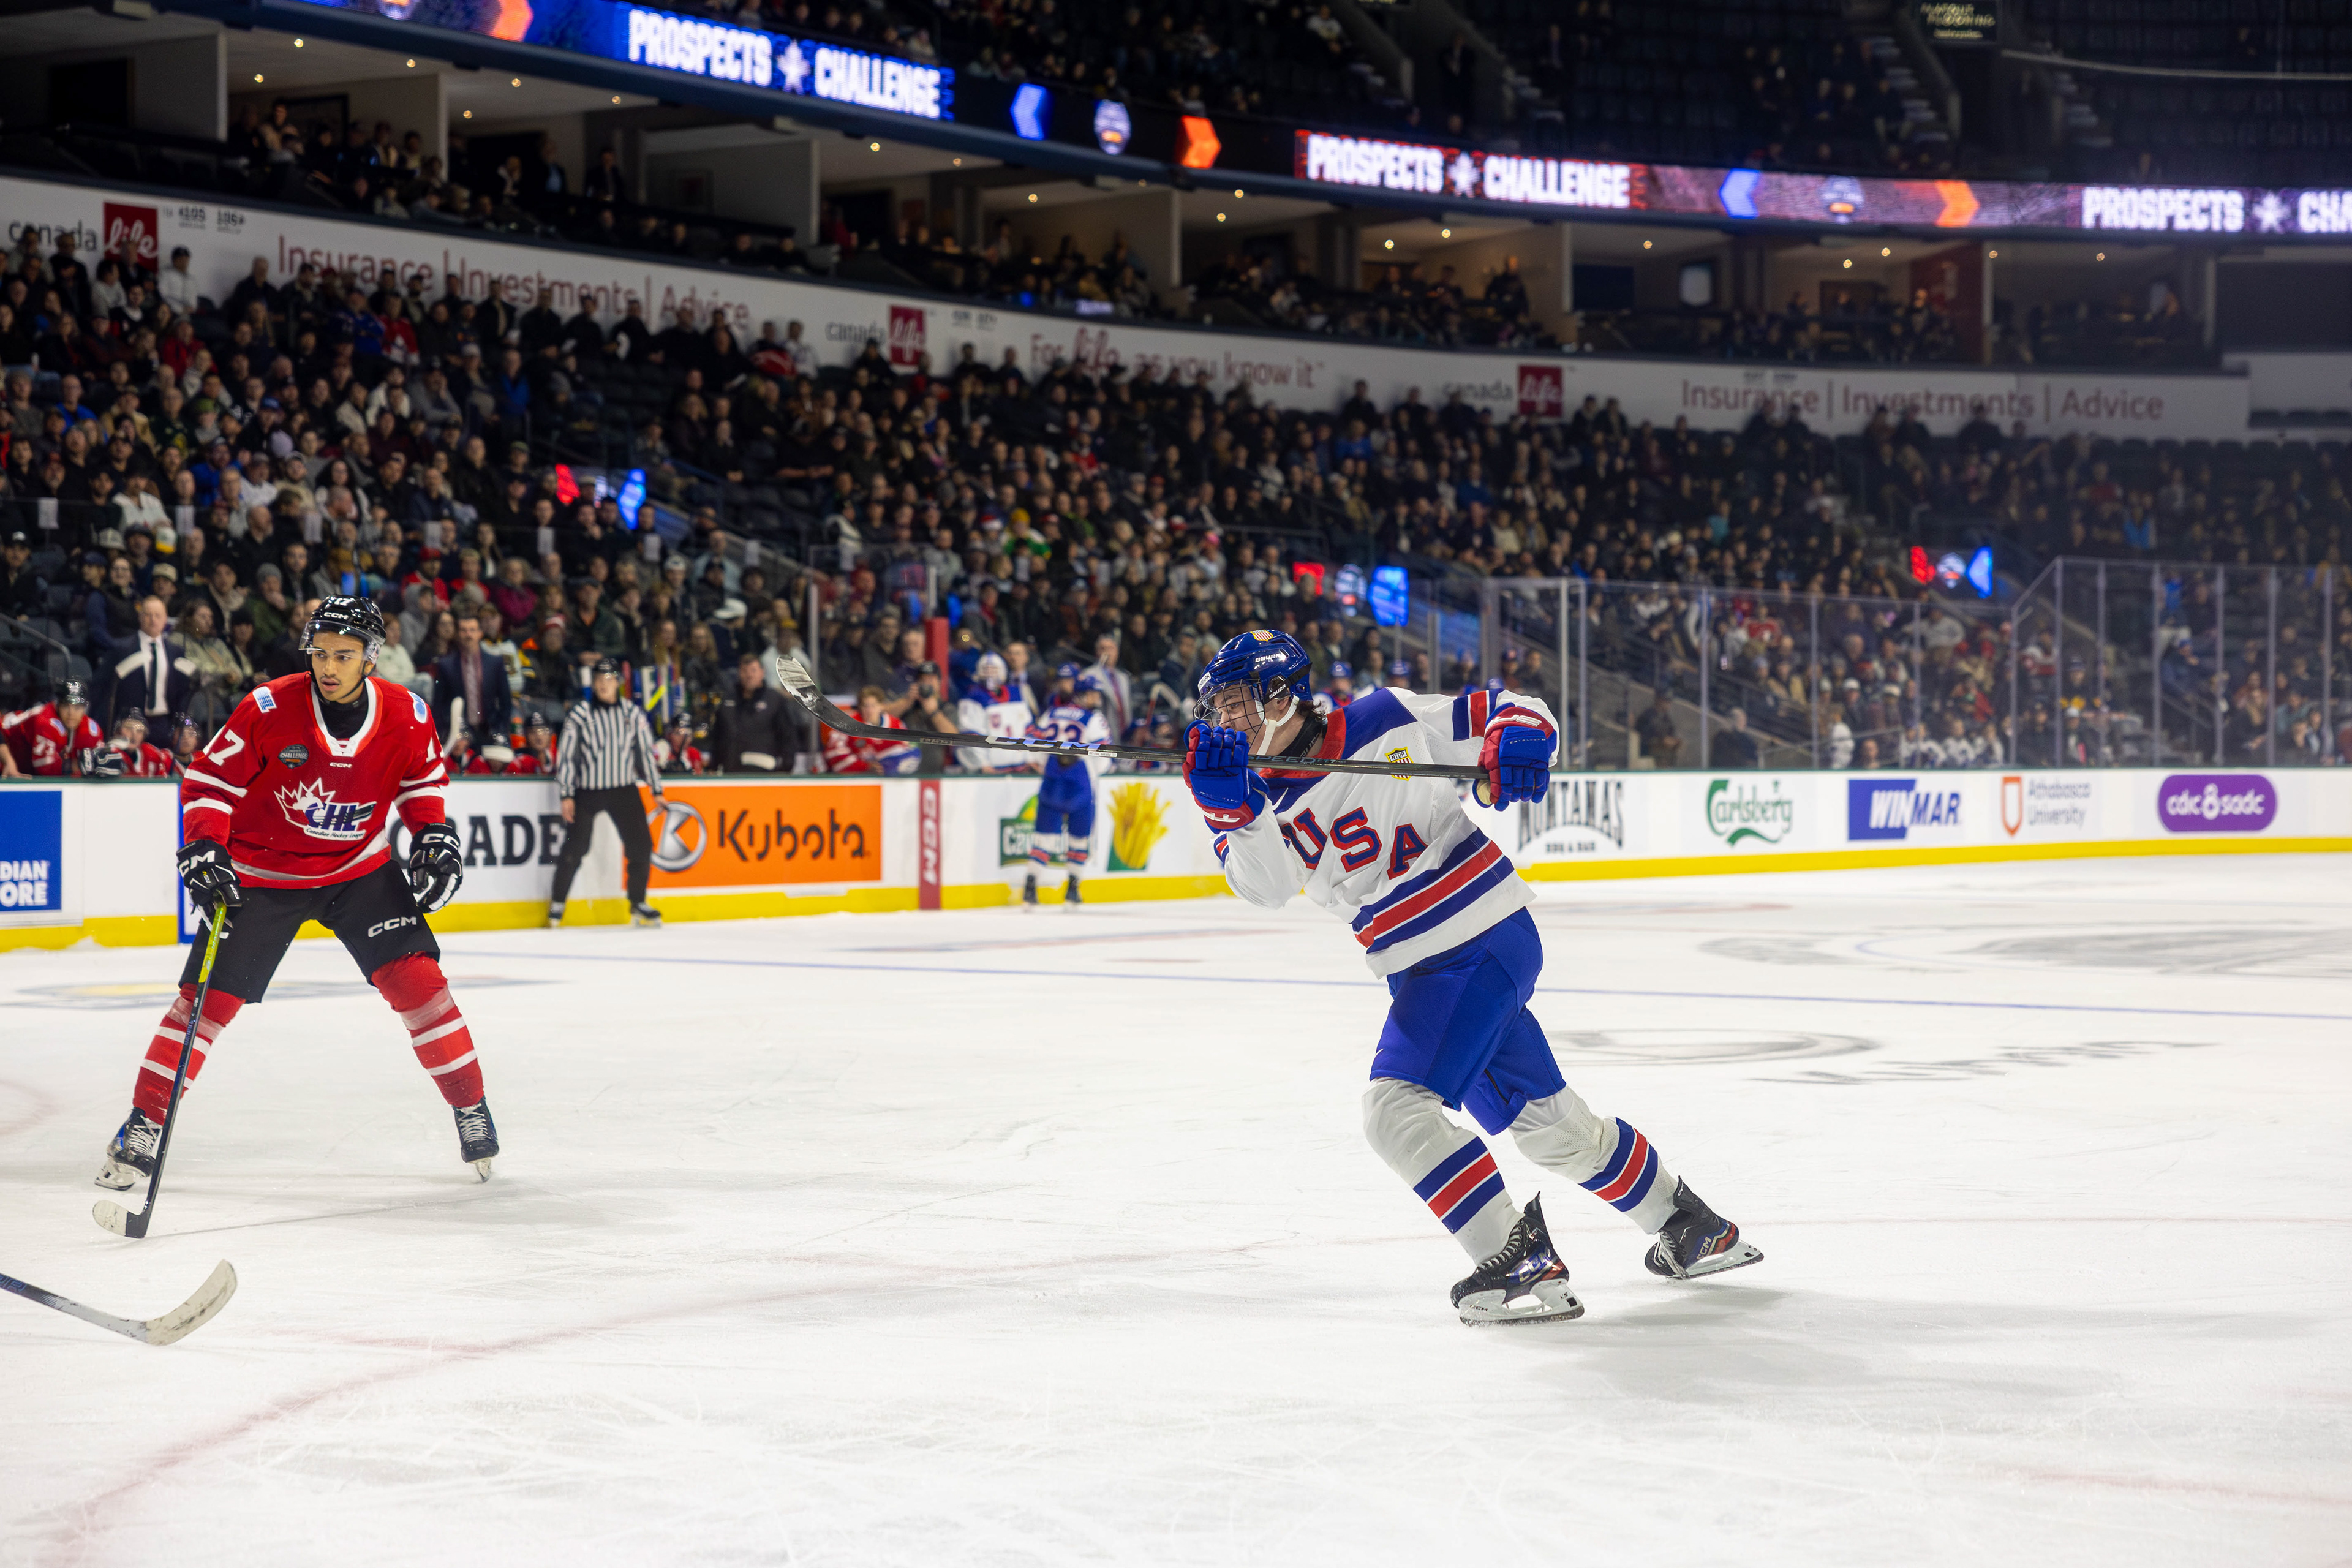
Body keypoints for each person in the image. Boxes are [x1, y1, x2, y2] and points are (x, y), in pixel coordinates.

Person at [1180, 630, 1760, 1326]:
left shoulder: (1385, 717)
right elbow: (1270, 887)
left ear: (1284, 695)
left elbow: (1516, 710)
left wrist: (1519, 739)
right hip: (1425, 967)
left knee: (1396, 1111)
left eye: (1239, 703)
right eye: (1220, 708)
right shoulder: (1236, 787)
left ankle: (1516, 1261)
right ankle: (1690, 1226)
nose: (1227, 720)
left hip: (1476, 937)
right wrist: (1236, 813)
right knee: (1551, 1128)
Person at [93, 597, 498, 1193]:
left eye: (344, 655)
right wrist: (205, 844)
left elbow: (421, 779)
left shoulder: (408, 713)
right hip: (262, 876)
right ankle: (145, 1123)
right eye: (321, 653)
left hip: (358, 871)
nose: (328, 667)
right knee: (205, 1003)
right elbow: (209, 782)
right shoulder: (268, 707)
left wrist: (432, 831)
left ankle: (471, 1105)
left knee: (421, 986)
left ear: (371, 658)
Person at [548, 656, 663, 928]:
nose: (603, 685)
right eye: (599, 680)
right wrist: (567, 794)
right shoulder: (581, 714)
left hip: (624, 789)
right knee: (576, 847)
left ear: (618, 683)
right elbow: (567, 757)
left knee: (641, 845)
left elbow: (645, 753)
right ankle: (558, 902)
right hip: (588, 791)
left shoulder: (632, 714)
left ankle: (638, 902)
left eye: (609, 679)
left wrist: (656, 788)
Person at [1021, 671, 1110, 908]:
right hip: (1080, 785)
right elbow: (1105, 757)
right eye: (1093, 694)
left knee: (1043, 839)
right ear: (1081, 695)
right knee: (1079, 839)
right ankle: (1072, 890)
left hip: (1052, 781)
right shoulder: (1094, 718)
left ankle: (1030, 887)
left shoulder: (1052, 713)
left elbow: (1032, 741)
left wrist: (1042, 763)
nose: (1097, 698)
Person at [711, 651, 796, 771]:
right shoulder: (727, 700)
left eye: (753, 670)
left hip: (764, 773)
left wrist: (786, 767)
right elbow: (717, 736)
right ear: (739, 673)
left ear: (762, 672)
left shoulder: (774, 700)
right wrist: (714, 766)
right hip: (731, 772)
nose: (749, 675)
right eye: (745, 671)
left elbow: (788, 737)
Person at [1, 680, 105, 777]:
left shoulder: (91, 730)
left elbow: (95, 764)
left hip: (22, 765)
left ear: (85, 709)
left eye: (77, 708)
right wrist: (78, 765)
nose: (71, 713)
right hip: (4, 742)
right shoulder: (45, 722)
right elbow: (45, 769)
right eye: (66, 706)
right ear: (58, 705)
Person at [955, 651, 1036, 772]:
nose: (990, 674)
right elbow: (970, 735)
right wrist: (981, 764)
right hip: (993, 770)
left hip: (1022, 767)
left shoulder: (1017, 693)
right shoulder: (973, 697)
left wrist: (1032, 758)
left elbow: (1029, 729)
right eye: (986, 670)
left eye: (994, 669)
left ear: (1002, 670)